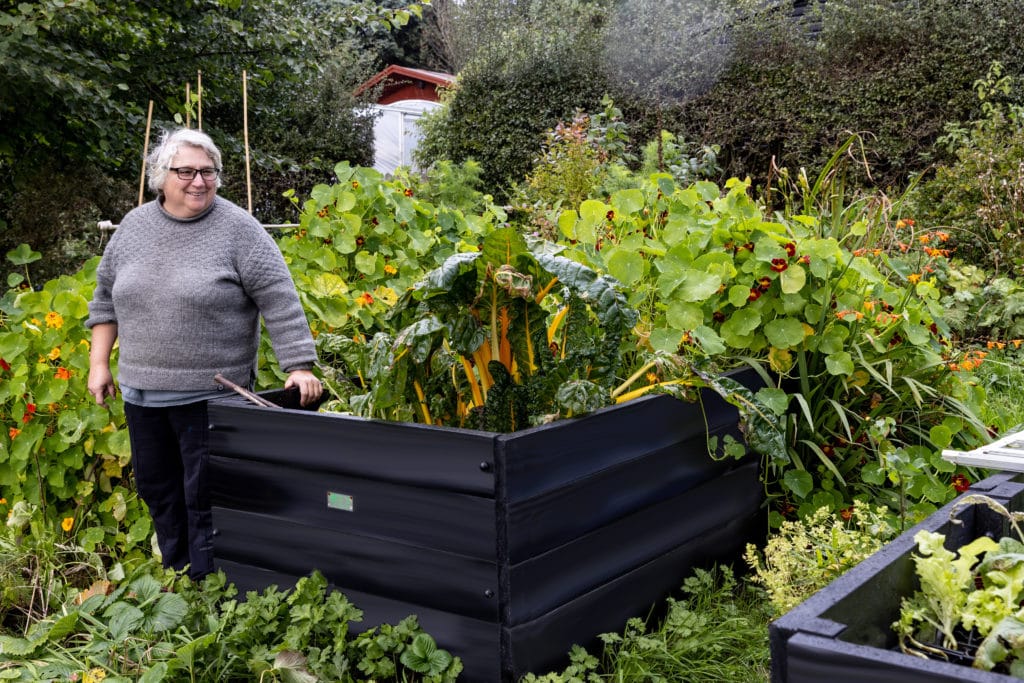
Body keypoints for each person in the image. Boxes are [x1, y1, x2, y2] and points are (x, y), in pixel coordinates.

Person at [86, 127, 322, 580]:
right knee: (159, 490)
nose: (199, 181)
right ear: (162, 177)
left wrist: (298, 366)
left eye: (208, 172)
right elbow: (105, 300)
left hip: (212, 396)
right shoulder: (134, 228)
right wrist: (99, 364)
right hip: (142, 394)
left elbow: (279, 297)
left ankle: (214, 585)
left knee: (207, 496)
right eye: (187, 172)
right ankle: (179, 573)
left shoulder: (238, 230)